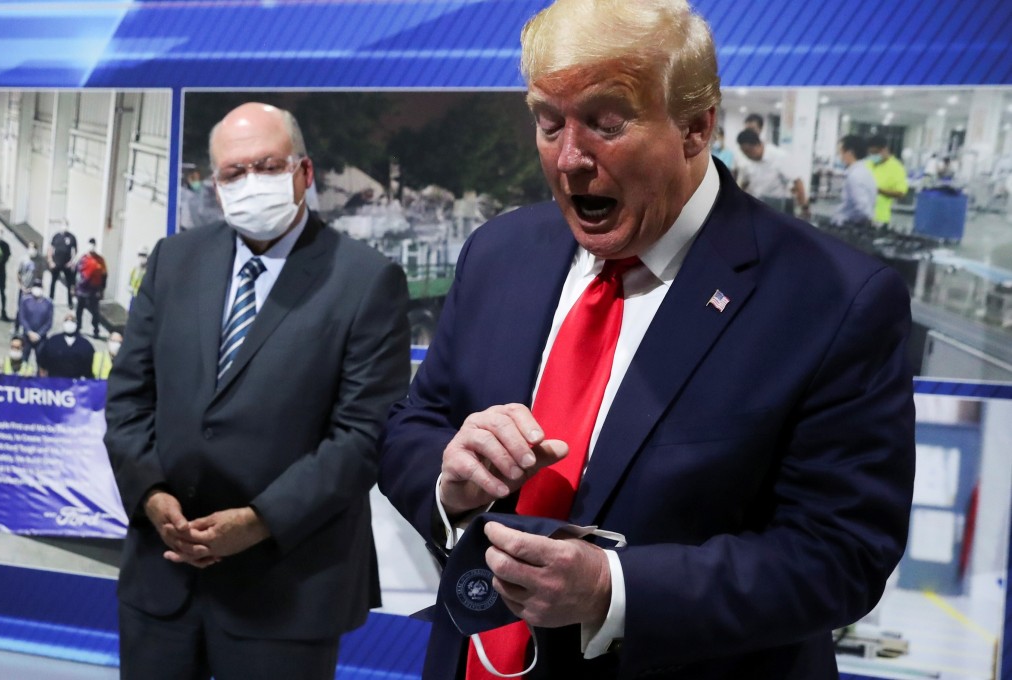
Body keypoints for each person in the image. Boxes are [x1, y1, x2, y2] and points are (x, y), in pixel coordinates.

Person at [378, 1, 915, 678]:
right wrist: (449, 486)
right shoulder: (498, 253)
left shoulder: (835, 299)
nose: (570, 159)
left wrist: (614, 589)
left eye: (607, 123)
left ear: (696, 126)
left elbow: (841, 555)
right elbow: (414, 425)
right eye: (548, 123)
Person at [104, 102, 411, 680]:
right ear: (215, 184)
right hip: (162, 577)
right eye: (232, 173)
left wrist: (258, 520)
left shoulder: (366, 280)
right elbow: (128, 399)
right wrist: (151, 494)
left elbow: (362, 436)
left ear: (303, 172)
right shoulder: (175, 261)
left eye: (266, 166)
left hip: (287, 587)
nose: (249, 183)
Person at [736, 128, 810, 219]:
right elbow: (744, 183)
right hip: (757, 206)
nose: (746, 155)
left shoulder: (779, 157)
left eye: (748, 151)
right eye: (743, 152)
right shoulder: (746, 162)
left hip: (778, 206)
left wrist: (804, 207)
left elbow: (798, 182)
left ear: (758, 145)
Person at [831, 134, 878, 227]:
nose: (839, 156)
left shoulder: (855, 176)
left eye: (841, 152)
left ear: (850, 152)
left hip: (849, 225)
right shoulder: (865, 171)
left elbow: (863, 210)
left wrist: (848, 221)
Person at [866, 135, 909, 229]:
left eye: (875, 153)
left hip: (879, 218)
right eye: (871, 153)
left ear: (885, 150)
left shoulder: (896, 167)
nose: (873, 156)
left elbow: (901, 193)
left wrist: (879, 190)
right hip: (861, 215)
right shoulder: (868, 163)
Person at [37, 311, 94, 379]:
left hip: (76, 384)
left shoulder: (85, 345)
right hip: (55, 382)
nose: (69, 323)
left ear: (76, 324)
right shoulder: (53, 341)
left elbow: (90, 367)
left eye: (72, 320)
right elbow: (42, 362)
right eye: (67, 320)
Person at [74, 237, 108, 338]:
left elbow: (104, 275)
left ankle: (96, 330)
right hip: (82, 289)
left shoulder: (100, 260)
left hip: (94, 289)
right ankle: (78, 327)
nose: (91, 247)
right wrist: (75, 287)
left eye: (93, 245)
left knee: (95, 312)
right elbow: (76, 273)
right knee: (79, 310)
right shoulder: (83, 258)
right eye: (90, 244)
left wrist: (102, 289)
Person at [14, 241, 48, 334]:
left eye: (34, 248)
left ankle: (27, 329)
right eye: (30, 248)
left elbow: (41, 275)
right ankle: (16, 327)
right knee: (20, 308)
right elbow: (18, 274)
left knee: (31, 309)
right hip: (24, 287)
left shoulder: (40, 260)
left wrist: (38, 287)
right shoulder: (24, 259)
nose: (32, 250)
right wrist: (21, 286)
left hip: (33, 289)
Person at [16, 283, 53, 364]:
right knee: (23, 361)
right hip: (26, 336)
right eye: (35, 286)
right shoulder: (25, 300)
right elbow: (22, 318)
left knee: (41, 362)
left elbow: (49, 322)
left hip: (41, 338)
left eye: (39, 287)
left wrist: (39, 334)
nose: (37, 289)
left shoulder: (48, 303)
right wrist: (29, 332)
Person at [48, 222, 79, 308]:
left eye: (65, 225)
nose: (64, 227)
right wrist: (50, 261)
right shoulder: (56, 236)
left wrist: (71, 262)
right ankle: (50, 300)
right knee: (53, 282)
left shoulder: (72, 237)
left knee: (69, 284)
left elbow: (75, 251)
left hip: (66, 264)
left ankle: (70, 302)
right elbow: (50, 248)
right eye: (62, 225)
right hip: (56, 263)